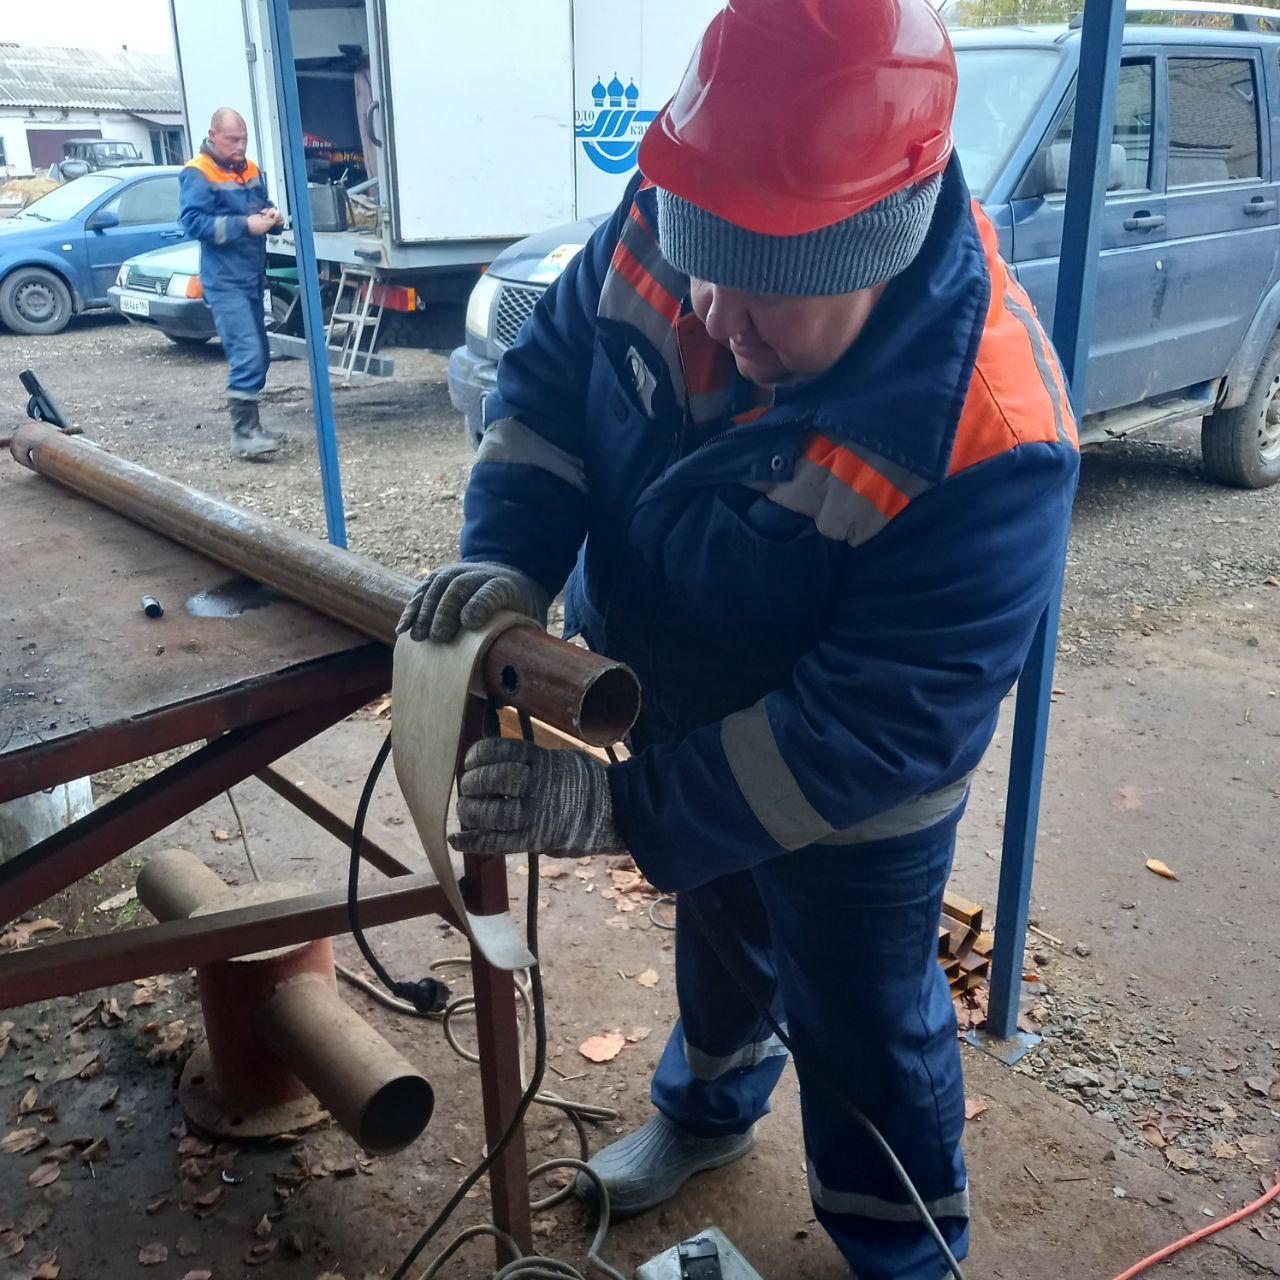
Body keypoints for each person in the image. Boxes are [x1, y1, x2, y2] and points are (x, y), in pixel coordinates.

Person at [397, 1, 1079, 1275]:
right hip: (669, 686)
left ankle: (901, 1250)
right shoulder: (681, 218)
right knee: (713, 925)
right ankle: (706, 1113)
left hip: (843, 775)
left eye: (766, 295)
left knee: (862, 1015)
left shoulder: (988, 431)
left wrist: (621, 811)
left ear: (874, 244)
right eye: (703, 262)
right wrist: (505, 558)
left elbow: (873, 724)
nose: (714, 314)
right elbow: (547, 390)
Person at [179, 108, 285, 461]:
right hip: (224, 281)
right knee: (247, 353)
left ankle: (253, 427)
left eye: (244, 139)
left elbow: (260, 206)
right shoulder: (197, 172)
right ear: (213, 135)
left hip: (251, 277)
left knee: (261, 354)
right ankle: (243, 435)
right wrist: (246, 226)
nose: (240, 146)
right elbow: (194, 224)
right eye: (232, 140)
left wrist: (273, 218)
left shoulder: (250, 169)